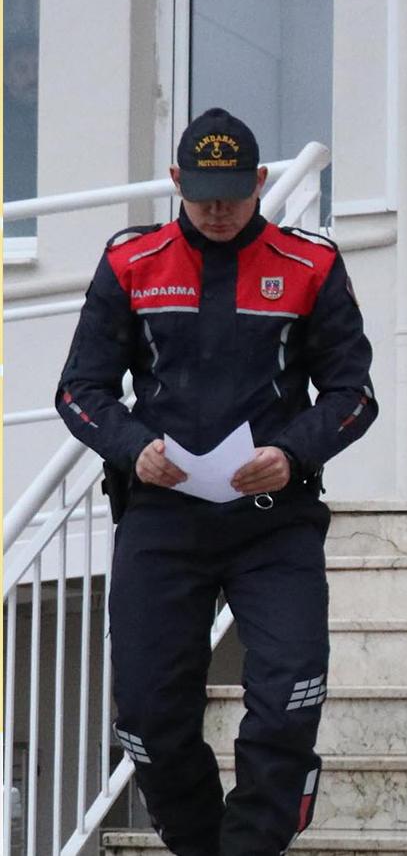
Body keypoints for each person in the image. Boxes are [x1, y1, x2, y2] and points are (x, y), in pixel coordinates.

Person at [55, 108, 377, 856]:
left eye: (234, 193)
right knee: (145, 717)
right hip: (162, 517)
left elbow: (352, 395)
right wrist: (134, 448)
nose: (219, 209)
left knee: (289, 699)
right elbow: (80, 390)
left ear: (261, 182)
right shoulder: (132, 261)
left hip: (275, 518)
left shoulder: (313, 264)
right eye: (202, 195)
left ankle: (255, 844)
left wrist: (292, 453)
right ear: (174, 184)